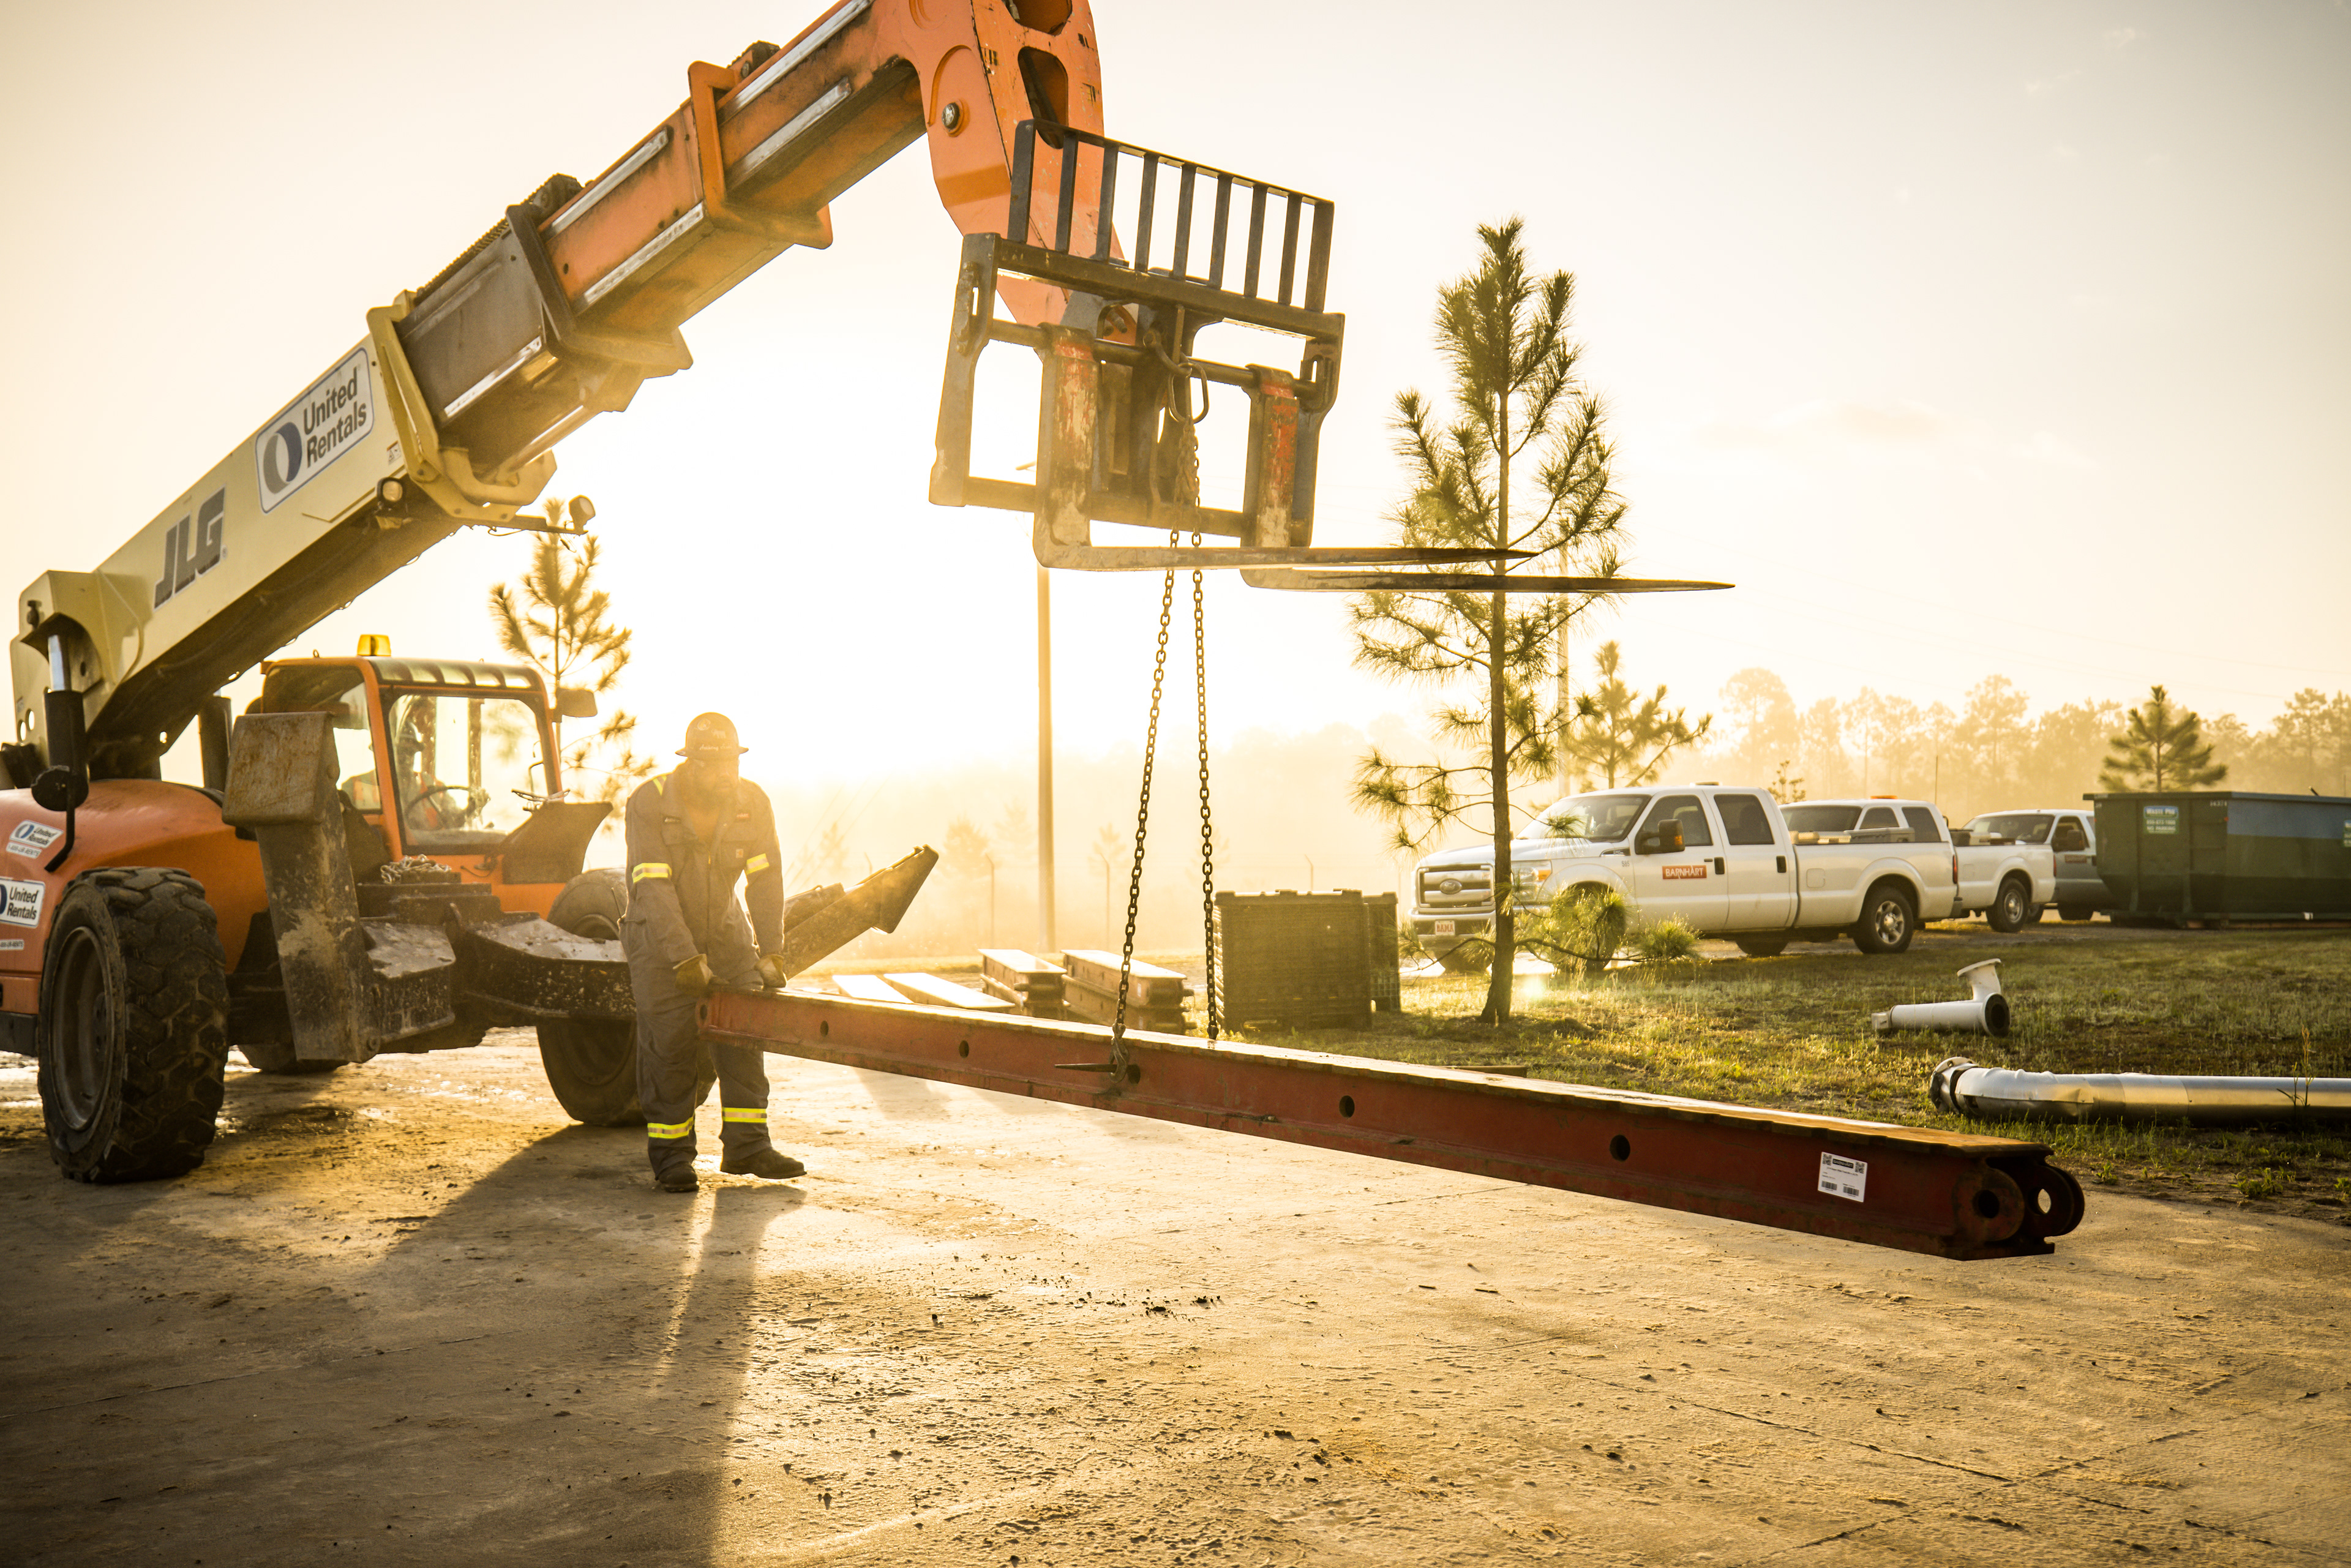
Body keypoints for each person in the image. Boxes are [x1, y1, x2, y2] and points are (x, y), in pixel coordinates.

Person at [621, 711, 804, 1193]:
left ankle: (748, 1145)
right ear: (692, 765)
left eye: (733, 763)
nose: (728, 774)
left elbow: (766, 880)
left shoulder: (752, 802)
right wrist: (683, 957)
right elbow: (653, 889)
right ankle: (672, 1157)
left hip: (725, 934)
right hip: (658, 940)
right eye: (716, 764)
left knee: (744, 1031)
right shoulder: (650, 803)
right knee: (672, 1044)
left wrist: (773, 951)